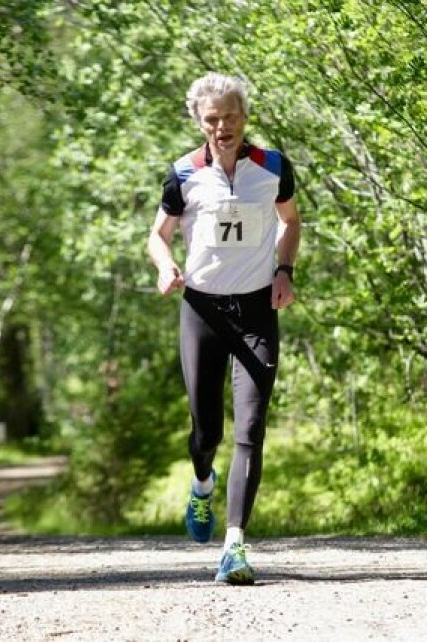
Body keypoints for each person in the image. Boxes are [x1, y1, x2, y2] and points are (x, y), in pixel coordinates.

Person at [146, 72, 301, 585]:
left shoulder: (273, 167)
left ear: (244, 116)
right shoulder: (183, 175)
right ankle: (202, 482)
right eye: (212, 119)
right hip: (203, 312)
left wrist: (284, 270)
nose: (222, 127)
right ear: (199, 121)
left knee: (251, 428)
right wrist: (166, 266)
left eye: (230, 117)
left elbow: (291, 222)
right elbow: (158, 235)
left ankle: (234, 546)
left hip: (257, 310)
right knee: (206, 429)